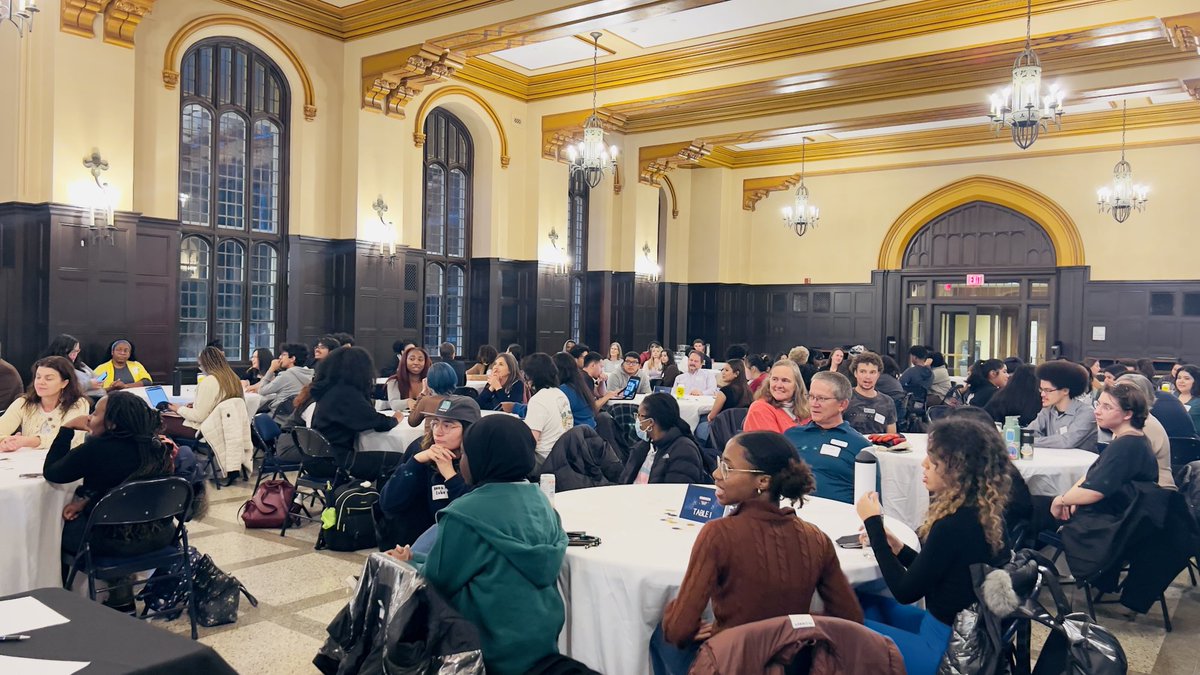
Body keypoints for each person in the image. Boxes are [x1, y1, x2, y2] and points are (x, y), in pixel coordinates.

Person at [654, 431, 863, 673]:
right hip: (794, 662)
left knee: (660, 635)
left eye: (728, 468)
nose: (715, 474)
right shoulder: (816, 538)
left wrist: (674, 614)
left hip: (731, 662)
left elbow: (679, 630)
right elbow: (850, 619)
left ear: (763, 482)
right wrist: (795, 623)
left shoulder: (718, 534)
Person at [388, 415, 568, 674]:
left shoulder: (465, 514)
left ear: (483, 459)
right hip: (542, 641)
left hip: (484, 648)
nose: (461, 461)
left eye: (466, 455)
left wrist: (409, 561)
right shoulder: (542, 503)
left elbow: (436, 582)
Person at [856, 417, 1012, 675]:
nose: (924, 465)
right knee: (859, 603)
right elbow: (939, 572)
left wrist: (873, 524)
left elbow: (906, 592)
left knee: (837, 625)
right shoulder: (986, 515)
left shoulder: (952, 524)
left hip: (943, 650)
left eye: (934, 462)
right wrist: (898, 548)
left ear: (957, 471)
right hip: (962, 635)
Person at [46, 392, 176, 607]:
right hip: (160, 535)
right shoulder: (156, 447)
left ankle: (67, 598)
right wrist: (89, 502)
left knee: (56, 529)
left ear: (113, 424)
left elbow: (53, 473)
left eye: (95, 414)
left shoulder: (95, 450)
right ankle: (120, 590)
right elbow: (131, 490)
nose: (89, 418)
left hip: (112, 541)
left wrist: (66, 430)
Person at [379, 396, 481, 547]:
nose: (438, 432)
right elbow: (388, 503)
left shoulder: (479, 458)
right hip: (416, 541)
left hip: (461, 544)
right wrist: (415, 462)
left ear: (468, 429)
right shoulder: (420, 448)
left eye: (448, 426)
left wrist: (450, 475)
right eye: (435, 423)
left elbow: (474, 517)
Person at [1049, 382, 1157, 522]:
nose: (1097, 411)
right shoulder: (1133, 439)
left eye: (1107, 407)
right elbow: (1093, 476)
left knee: (1037, 504)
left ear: (1128, 414)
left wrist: (1061, 500)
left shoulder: (1126, 445)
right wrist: (1069, 497)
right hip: (1121, 518)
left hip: (1110, 525)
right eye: (1098, 404)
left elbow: (1095, 491)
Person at [784, 372, 873, 504]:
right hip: (792, 513)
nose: (814, 404)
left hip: (837, 517)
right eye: (811, 397)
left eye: (822, 398)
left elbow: (871, 500)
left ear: (842, 405)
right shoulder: (791, 435)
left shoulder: (860, 446)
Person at [310, 346, 399, 477]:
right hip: (336, 461)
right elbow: (379, 422)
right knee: (400, 461)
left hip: (316, 457)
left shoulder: (329, 389)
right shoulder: (346, 394)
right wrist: (396, 418)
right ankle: (385, 497)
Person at [0, 356, 89, 451]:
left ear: (64, 383)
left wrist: (28, 441)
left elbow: (67, 438)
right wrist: (6, 441)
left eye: (49, 379)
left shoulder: (78, 404)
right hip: (27, 461)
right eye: (38, 377)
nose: (40, 382)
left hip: (64, 461)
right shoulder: (23, 402)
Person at [620, 393, 708, 485]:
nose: (637, 420)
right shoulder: (643, 446)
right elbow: (623, 482)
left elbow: (676, 494)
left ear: (650, 422)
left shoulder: (684, 451)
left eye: (640, 416)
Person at [508, 353, 571, 471]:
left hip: (542, 460)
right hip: (562, 458)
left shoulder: (539, 400)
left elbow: (530, 441)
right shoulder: (561, 395)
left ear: (532, 377)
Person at [168, 346, 244, 442]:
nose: (200, 369)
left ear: (206, 365)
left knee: (160, 421)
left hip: (205, 430)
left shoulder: (209, 382)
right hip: (227, 428)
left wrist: (178, 409)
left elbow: (199, 416)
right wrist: (196, 405)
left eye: (200, 365)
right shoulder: (234, 379)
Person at [1115, 374, 1177, 489]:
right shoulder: (1128, 421)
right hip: (1137, 487)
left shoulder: (1144, 424)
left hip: (1155, 492)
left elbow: (1124, 468)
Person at [1028, 360, 1097, 452]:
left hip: (1081, 464)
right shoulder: (1048, 410)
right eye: (1041, 390)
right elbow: (1029, 432)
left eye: (1048, 390)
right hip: (1053, 461)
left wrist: (1031, 441)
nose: (1042, 394)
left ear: (1065, 390)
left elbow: (1066, 441)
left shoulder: (1087, 413)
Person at [743, 360, 809, 434]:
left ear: (796, 385)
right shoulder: (759, 408)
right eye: (774, 379)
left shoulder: (806, 408)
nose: (778, 385)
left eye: (785, 380)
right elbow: (774, 444)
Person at [249, 343, 314, 417]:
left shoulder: (285, 375)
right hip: (295, 416)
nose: (280, 357)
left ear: (292, 359)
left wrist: (271, 369)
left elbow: (262, 391)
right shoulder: (308, 374)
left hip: (278, 416)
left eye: (283, 355)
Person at [845, 352, 898, 435]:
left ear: (878, 375)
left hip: (879, 446)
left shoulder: (888, 402)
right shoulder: (844, 398)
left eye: (872, 372)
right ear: (855, 373)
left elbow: (891, 435)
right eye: (863, 371)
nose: (868, 376)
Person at [406, 362, 459, 428]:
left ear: (428, 382)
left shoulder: (426, 401)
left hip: (431, 438)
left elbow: (412, 422)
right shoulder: (461, 402)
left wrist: (423, 393)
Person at [552, 351, 597, 428]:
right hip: (590, 431)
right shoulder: (580, 386)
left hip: (577, 435)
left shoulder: (564, 390)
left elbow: (553, 415)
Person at [387, 346, 429, 413]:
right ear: (404, 361)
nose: (416, 362)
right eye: (412, 359)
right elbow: (393, 404)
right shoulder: (394, 381)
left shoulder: (430, 381)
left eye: (420, 360)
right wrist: (408, 402)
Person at [1174, 365, 1200, 434]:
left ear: (1196, 381)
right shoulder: (1171, 397)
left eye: (1186, 378)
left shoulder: (1198, 402)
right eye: (1179, 378)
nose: (1181, 381)